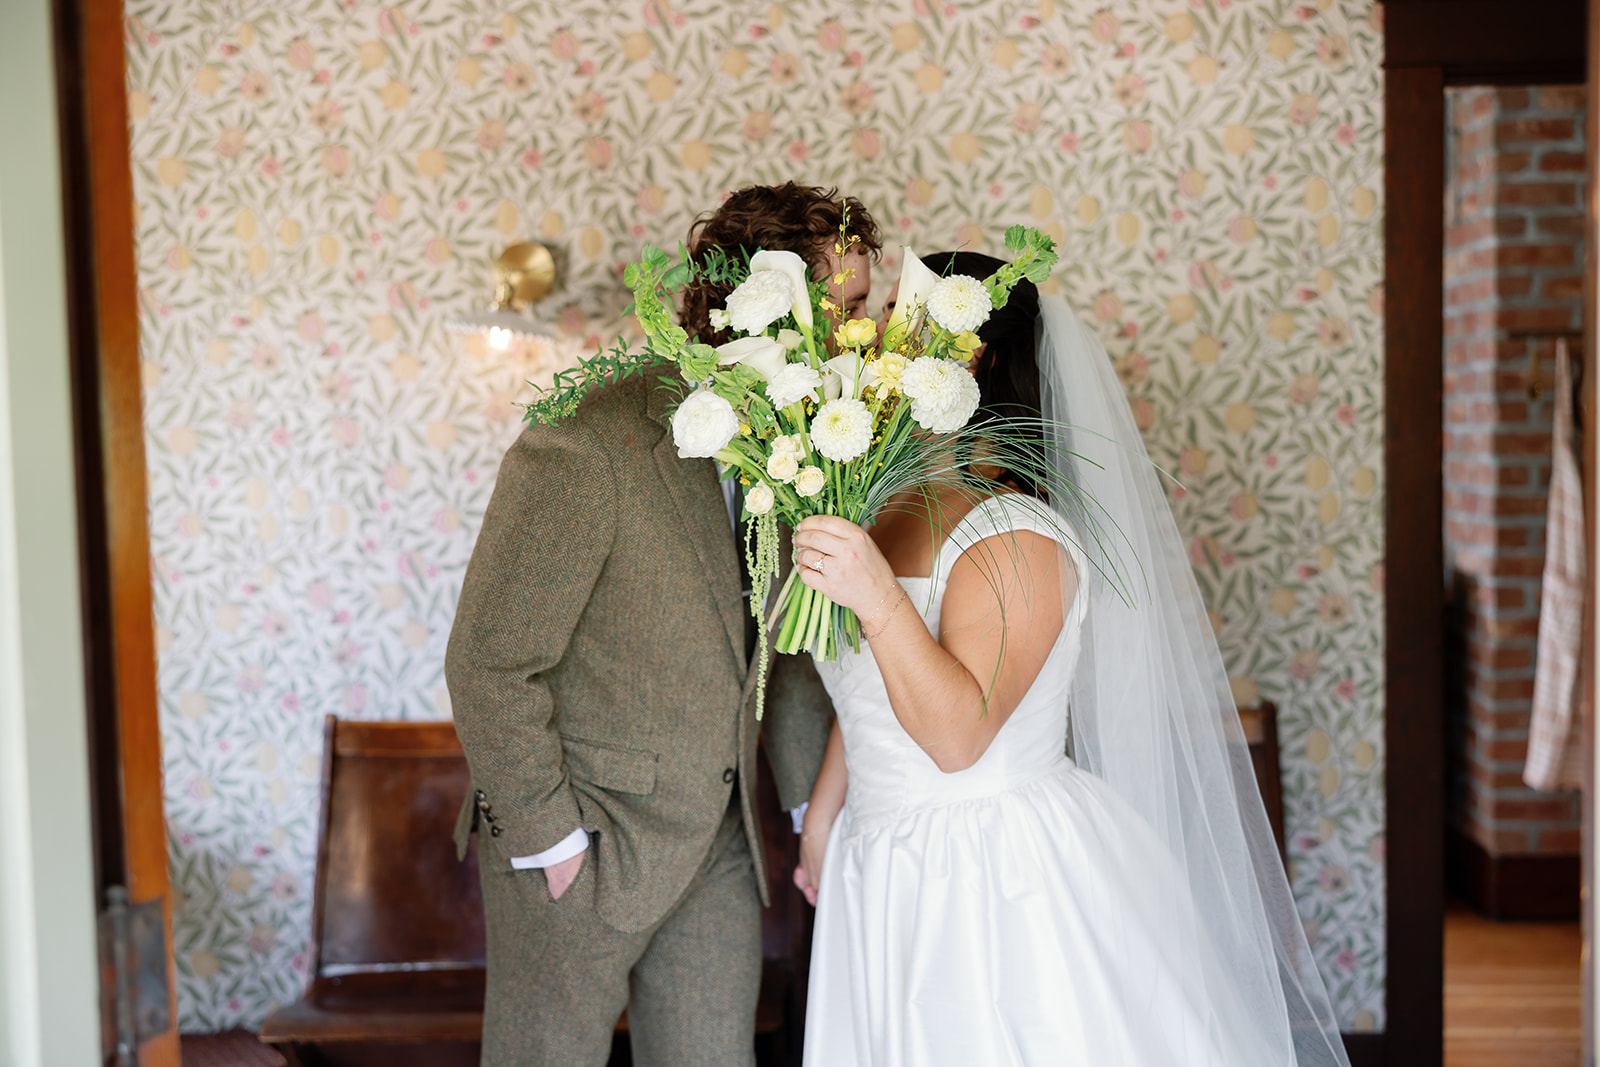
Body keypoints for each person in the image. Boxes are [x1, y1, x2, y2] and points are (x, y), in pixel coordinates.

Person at [790, 253, 1351, 1066]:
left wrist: (877, 594)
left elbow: (956, 739)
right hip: (877, 867)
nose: (872, 333)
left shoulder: (1018, 534)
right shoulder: (873, 506)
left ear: (966, 353)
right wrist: (824, 811)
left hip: (991, 880)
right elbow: (868, 686)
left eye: (900, 317)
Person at [446, 183, 878, 1067]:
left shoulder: (803, 444)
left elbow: (780, 642)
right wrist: (553, 843)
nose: (862, 332)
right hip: (586, 842)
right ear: (764, 303)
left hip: (721, 847)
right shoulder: (589, 437)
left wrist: (811, 811)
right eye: (848, 307)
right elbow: (489, 661)